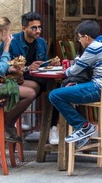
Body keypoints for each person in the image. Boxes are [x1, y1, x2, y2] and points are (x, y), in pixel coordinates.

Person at [48, 20, 102, 149]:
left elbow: (76, 69)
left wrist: (64, 72)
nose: (79, 41)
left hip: (99, 89)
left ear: (86, 37)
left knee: (55, 95)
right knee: (68, 88)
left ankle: (83, 127)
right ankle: (82, 134)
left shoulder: (94, 47)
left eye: (80, 38)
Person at [9, 11, 61, 144]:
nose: (38, 31)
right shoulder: (12, 42)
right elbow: (6, 68)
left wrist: (50, 63)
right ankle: (22, 112)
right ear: (24, 28)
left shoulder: (41, 42)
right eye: (34, 28)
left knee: (56, 88)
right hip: (17, 78)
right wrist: (27, 67)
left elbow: (42, 64)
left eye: (39, 27)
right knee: (38, 86)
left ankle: (53, 127)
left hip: (35, 76)